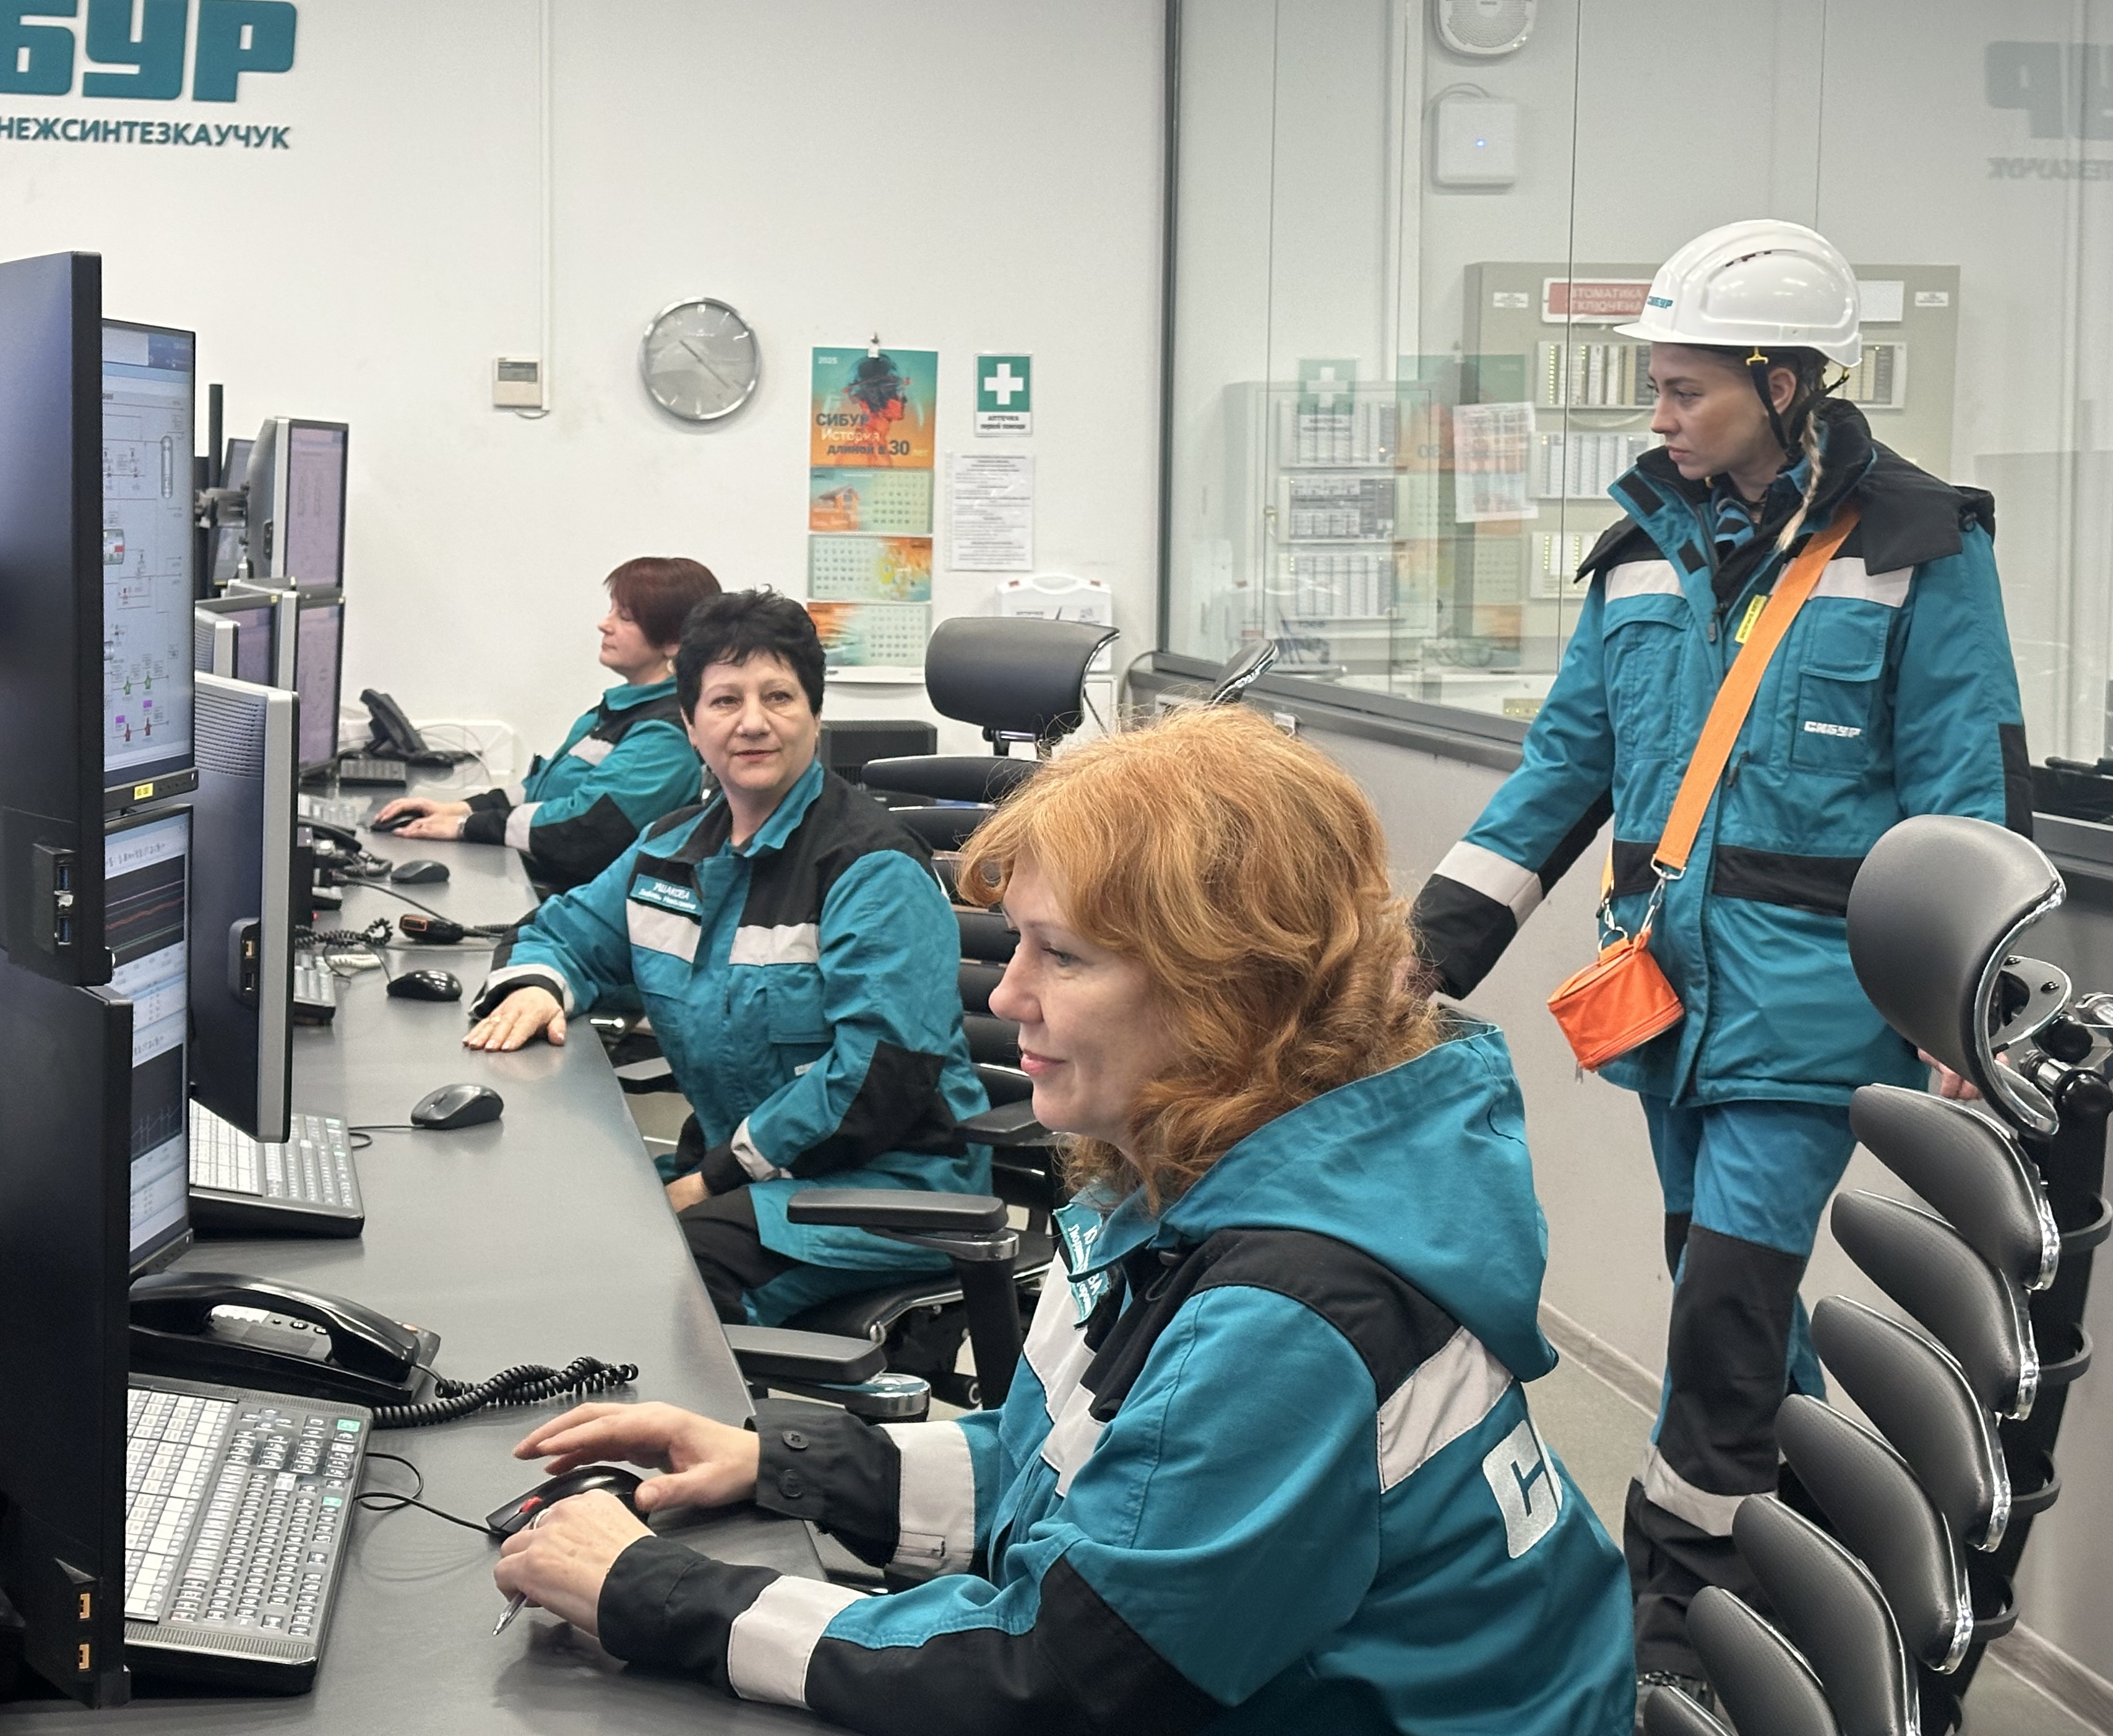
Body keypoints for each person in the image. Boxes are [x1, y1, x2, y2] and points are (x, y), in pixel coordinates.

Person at [490, 705, 1635, 1734]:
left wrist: (664, 1593)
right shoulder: (1194, 1183)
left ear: (1225, 992)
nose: (1005, 996)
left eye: (1064, 957)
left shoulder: (1290, 1310)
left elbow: (1059, 1677)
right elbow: (1076, 1474)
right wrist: (784, 1463)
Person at [1410, 220, 2029, 1708]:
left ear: (1785, 383)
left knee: (1728, 1310)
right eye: (1658, 386)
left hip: (1815, 1010)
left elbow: (1966, 789)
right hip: (1667, 1005)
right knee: (1719, 1292)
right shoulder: (1639, 556)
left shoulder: (1921, 545)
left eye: (1686, 388)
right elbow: (1562, 771)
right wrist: (1422, 957)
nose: (1660, 414)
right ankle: (1809, 1555)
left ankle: (1678, 1609)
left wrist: (1965, 1005)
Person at [462, 588, 990, 1327]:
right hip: (747, 1174)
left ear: (815, 715)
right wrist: (541, 987)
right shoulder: (670, 851)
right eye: (724, 701)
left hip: (888, 1187)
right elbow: (564, 933)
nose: (753, 723)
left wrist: (714, 1179)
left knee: (665, 1276)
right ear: (690, 722)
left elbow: (877, 1079)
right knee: (556, 1221)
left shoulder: (871, 869)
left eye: (779, 697)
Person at [374, 556, 718, 892]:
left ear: (673, 642)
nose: (605, 624)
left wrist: (468, 826)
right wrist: (460, 808)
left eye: (625, 617)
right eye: (611, 611)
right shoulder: (615, 710)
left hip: (581, 898)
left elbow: (585, 829)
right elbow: (540, 790)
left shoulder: (665, 736)